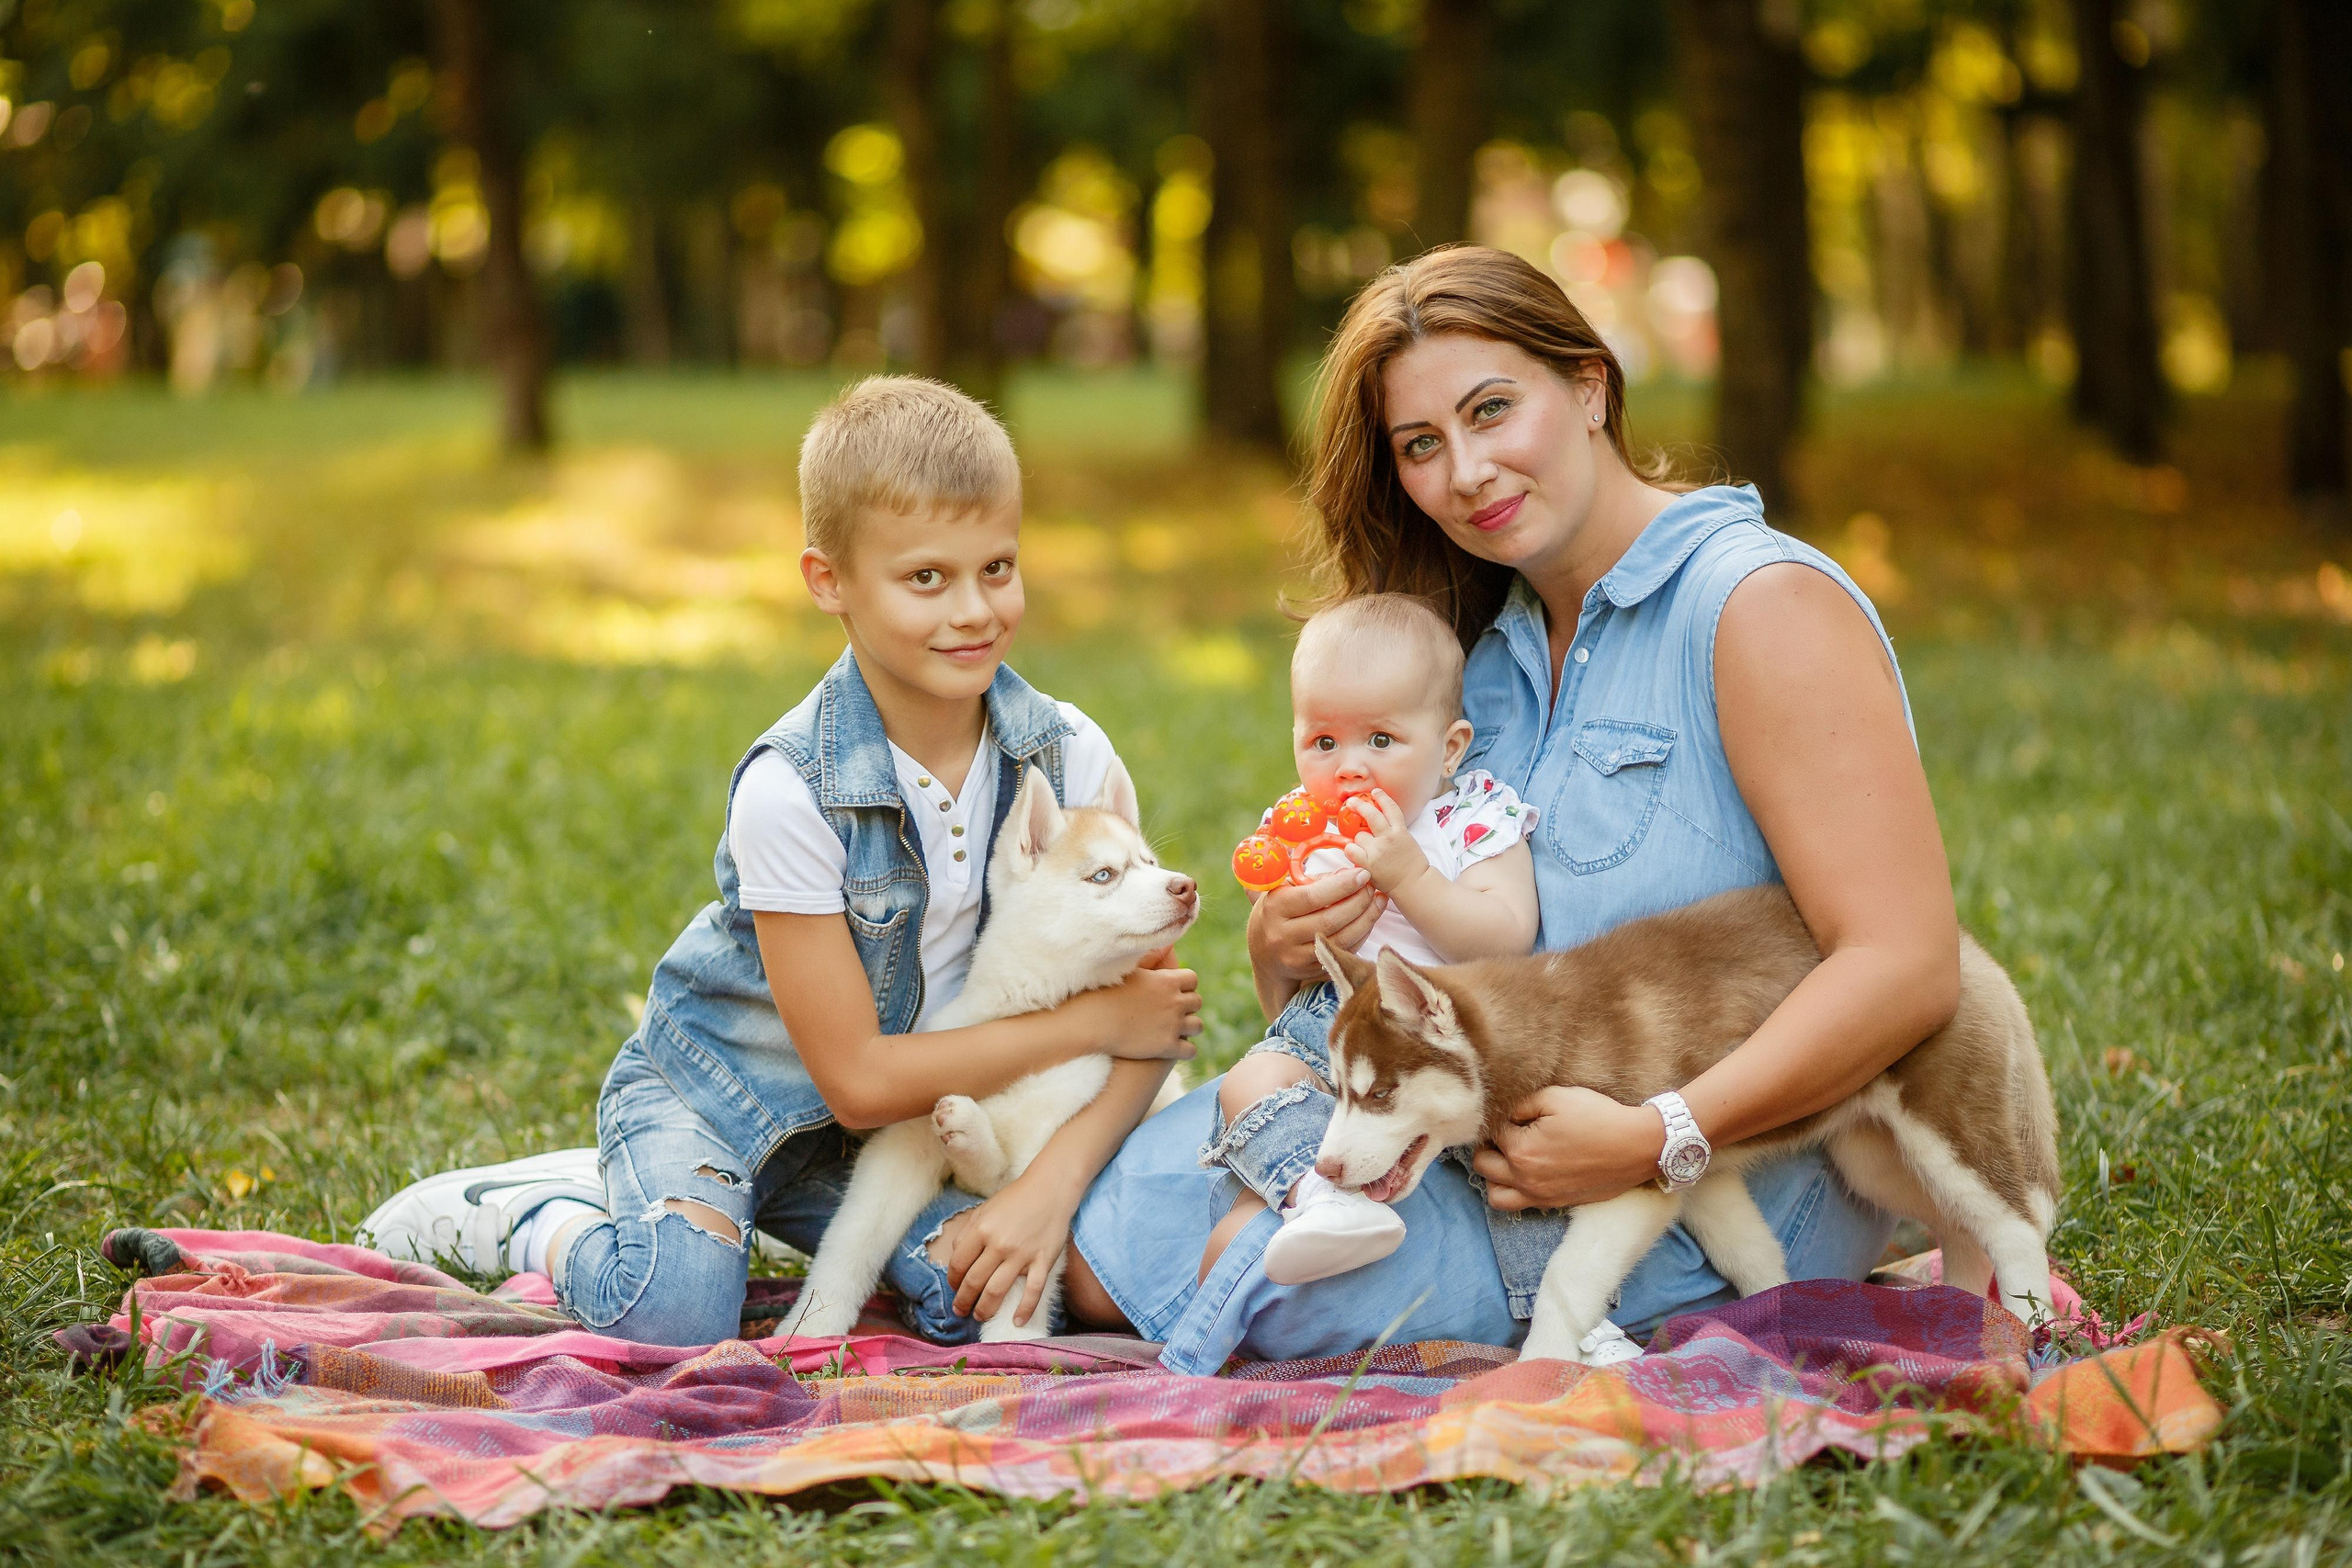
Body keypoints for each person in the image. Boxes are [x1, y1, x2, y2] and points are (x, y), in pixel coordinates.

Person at [1058, 245, 1954, 1376]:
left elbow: (1905, 965)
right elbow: (1433, 973)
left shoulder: (1760, 608)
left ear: (1589, 386)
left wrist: (1658, 1135)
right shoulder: (1481, 658)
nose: (1467, 472)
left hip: (1714, 1180)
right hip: (1469, 1120)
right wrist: (1282, 947)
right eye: (1419, 445)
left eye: (1491, 410)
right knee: (1092, 1261)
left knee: (1242, 1287)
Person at [357, 376, 1202, 1346]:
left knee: (970, 1294)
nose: (974, 609)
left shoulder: (1068, 758)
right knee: (671, 1308)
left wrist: (1044, 1192)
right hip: (723, 1099)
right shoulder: (794, 788)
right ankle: (539, 1214)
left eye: (998, 567)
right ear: (828, 581)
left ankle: (723, 1214)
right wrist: (1089, 1022)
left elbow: (1153, 1022)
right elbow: (860, 1080)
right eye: (926, 578)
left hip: (888, 1135)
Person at [1204, 593, 1540, 1289]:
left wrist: (1412, 878)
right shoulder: (1304, 827)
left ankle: (1558, 1304)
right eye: (1324, 742)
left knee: (1515, 1168)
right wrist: (1279, 913)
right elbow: (1283, 939)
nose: (1349, 767)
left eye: (1380, 740)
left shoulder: (1470, 818)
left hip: (1449, 1042)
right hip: (1331, 1025)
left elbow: (1508, 937)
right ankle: (1321, 1200)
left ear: (1450, 748)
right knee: (1250, 1083)